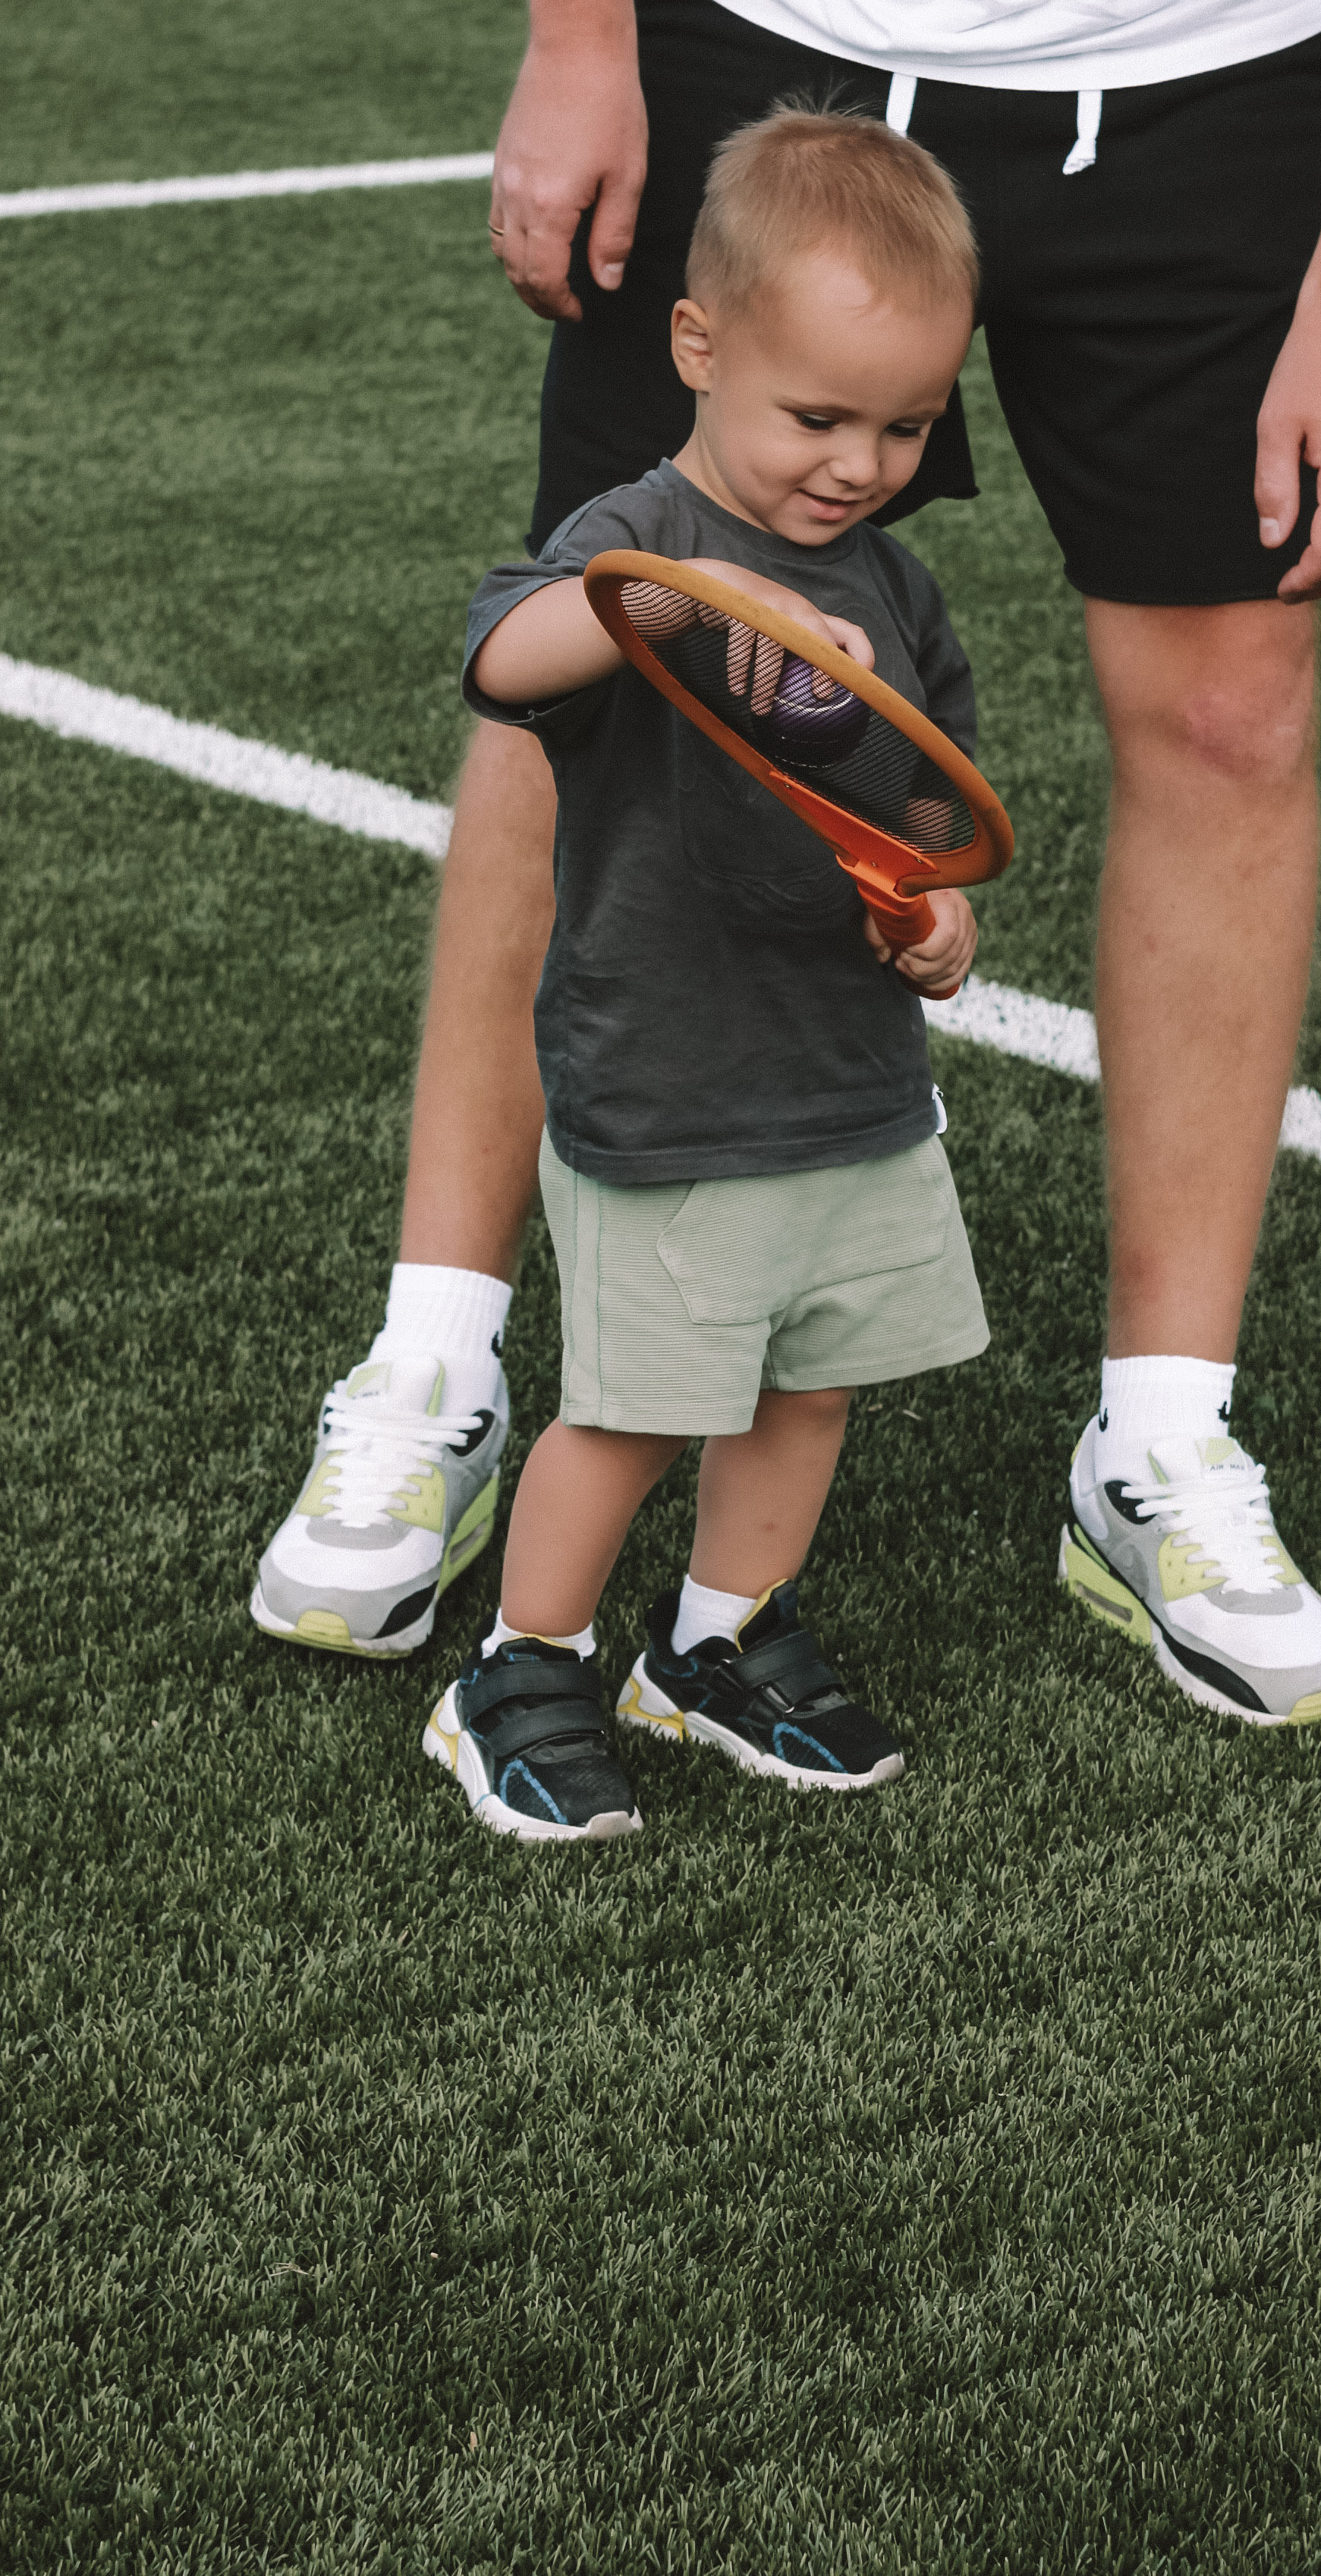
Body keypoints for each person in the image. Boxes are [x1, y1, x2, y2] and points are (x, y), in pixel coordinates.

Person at [254, 0, 1321, 1729]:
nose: (869, 463)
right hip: (762, 17)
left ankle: (1162, 1435)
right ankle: (432, 1367)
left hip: (1208, 69)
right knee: (598, 670)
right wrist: (579, 29)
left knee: (1232, 709)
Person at [418, 108, 989, 1842]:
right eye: (816, 416)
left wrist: (940, 927)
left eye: (901, 424)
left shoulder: (895, 586)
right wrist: (665, 599)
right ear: (700, 346)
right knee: (637, 1407)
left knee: (810, 1383)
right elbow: (503, 656)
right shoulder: (640, 535)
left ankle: (717, 1644)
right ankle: (520, 1665)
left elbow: (931, 809)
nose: (857, 462)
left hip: (847, 1078)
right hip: (668, 1076)